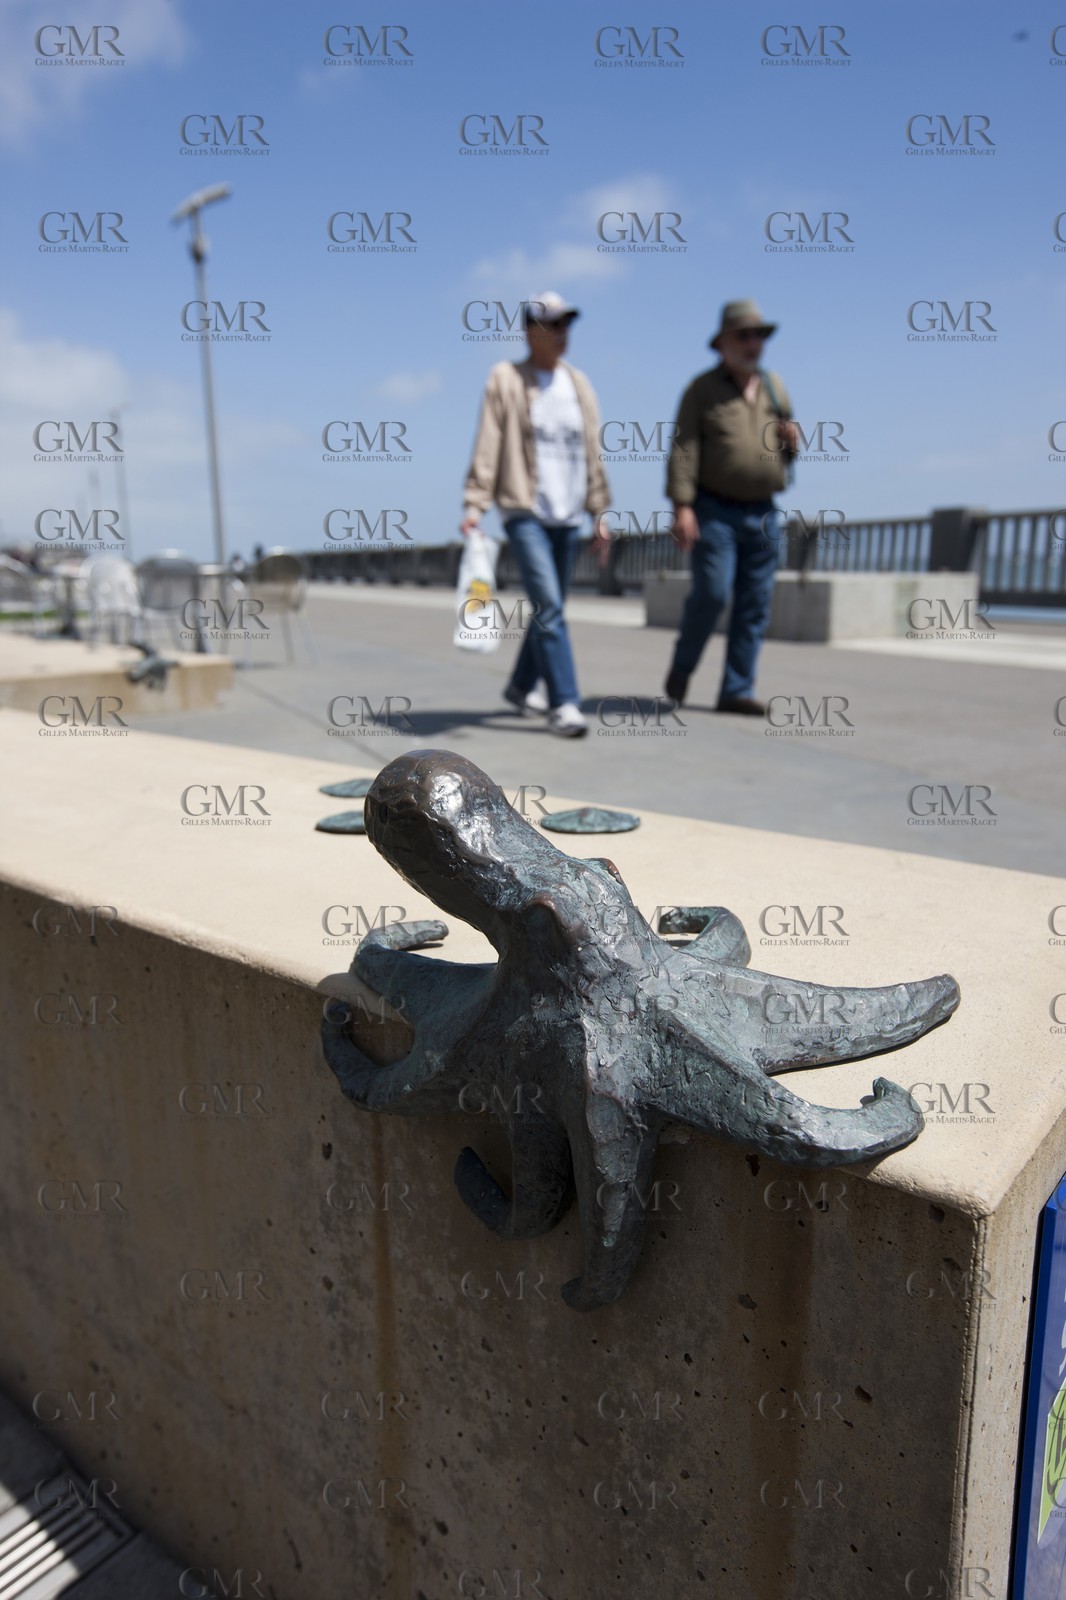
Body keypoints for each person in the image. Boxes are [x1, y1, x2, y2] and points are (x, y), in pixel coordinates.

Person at [461, 291, 612, 738]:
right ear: (530, 330)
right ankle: (565, 702)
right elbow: (487, 442)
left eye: (567, 324)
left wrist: (599, 511)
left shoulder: (578, 384)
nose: (562, 334)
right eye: (552, 325)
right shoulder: (505, 378)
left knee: (551, 607)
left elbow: (593, 453)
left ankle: (520, 686)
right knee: (549, 603)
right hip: (523, 509)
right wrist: (475, 504)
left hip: (567, 516)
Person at [663, 298, 799, 714]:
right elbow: (684, 448)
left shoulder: (775, 387)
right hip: (713, 509)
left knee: (755, 603)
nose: (752, 343)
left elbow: (786, 448)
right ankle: (683, 667)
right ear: (722, 343)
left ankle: (735, 690)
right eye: (743, 336)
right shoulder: (701, 389)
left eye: (758, 335)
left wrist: (791, 444)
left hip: (763, 511)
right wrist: (682, 506)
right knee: (713, 593)